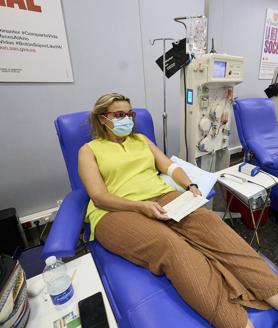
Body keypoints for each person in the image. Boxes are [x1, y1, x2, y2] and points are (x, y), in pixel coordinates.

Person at [78, 93, 278, 328]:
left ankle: (272, 292)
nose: (127, 119)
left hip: (162, 196)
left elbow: (170, 167)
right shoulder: (89, 150)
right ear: (102, 119)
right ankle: (236, 323)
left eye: (130, 114)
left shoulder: (141, 140)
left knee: (211, 225)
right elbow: (99, 197)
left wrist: (190, 186)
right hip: (115, 211)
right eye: (119, 115)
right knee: (171, 245)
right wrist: (140, 206)